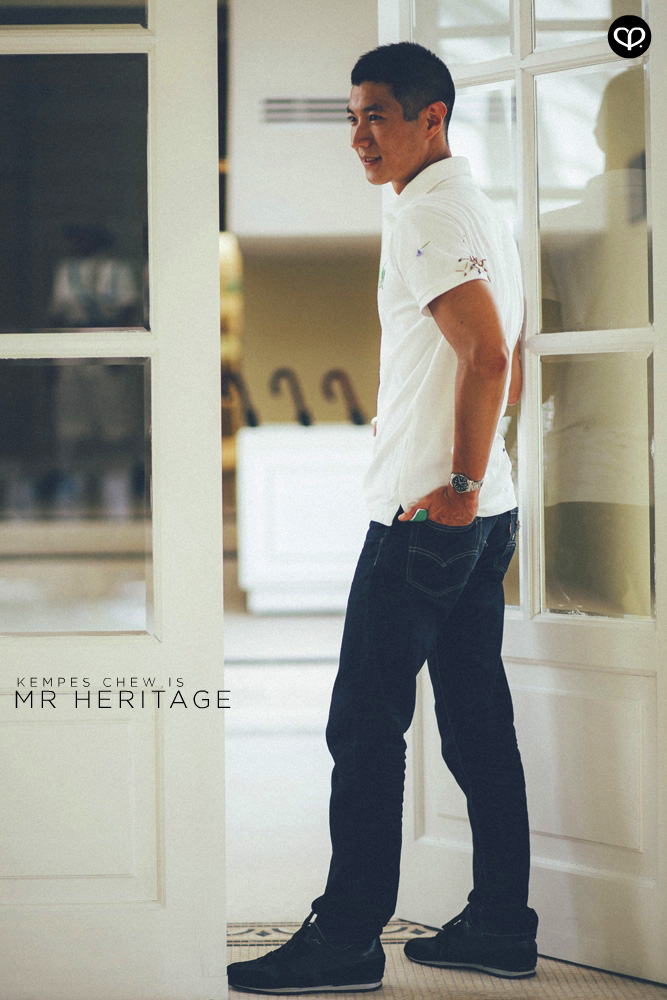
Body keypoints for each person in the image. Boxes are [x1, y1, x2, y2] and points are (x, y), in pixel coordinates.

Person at [228, 41, 537, 994]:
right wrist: (476, 487)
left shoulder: (427, 216)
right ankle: (500, 923)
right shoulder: (470, 205)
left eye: (377, 116)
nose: (359, 136)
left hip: (427, 518)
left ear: (431, 118)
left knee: (364, 726)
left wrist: (455, 485)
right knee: (476, 725)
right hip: (479, 512)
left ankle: (349, 937)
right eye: (351, 117)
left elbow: (488, 355)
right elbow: (499, 352)